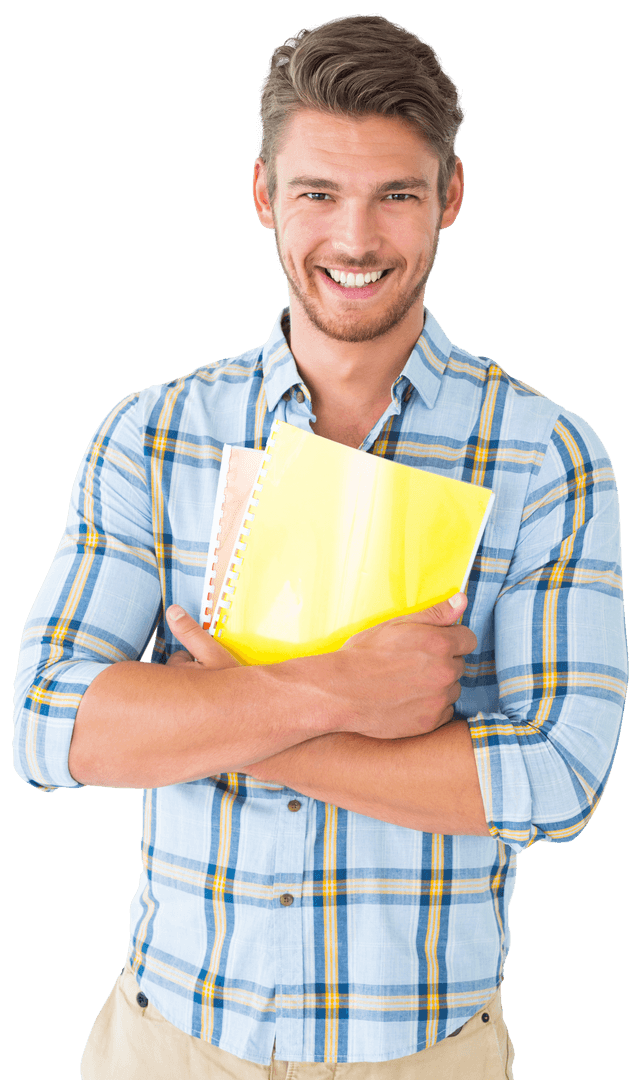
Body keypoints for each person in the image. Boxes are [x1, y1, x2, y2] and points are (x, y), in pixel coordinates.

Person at [13, 14, 627, 1080]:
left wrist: (216, 715)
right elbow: (46, 726)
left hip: (424, 1054)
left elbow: (558, 777)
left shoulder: (546, 456)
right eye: (316, 194)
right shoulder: (152, 435)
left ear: (449, 198)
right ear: (262, 196)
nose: (354, 239)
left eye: (394, 193)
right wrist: (347, 688)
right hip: (166, 1043)